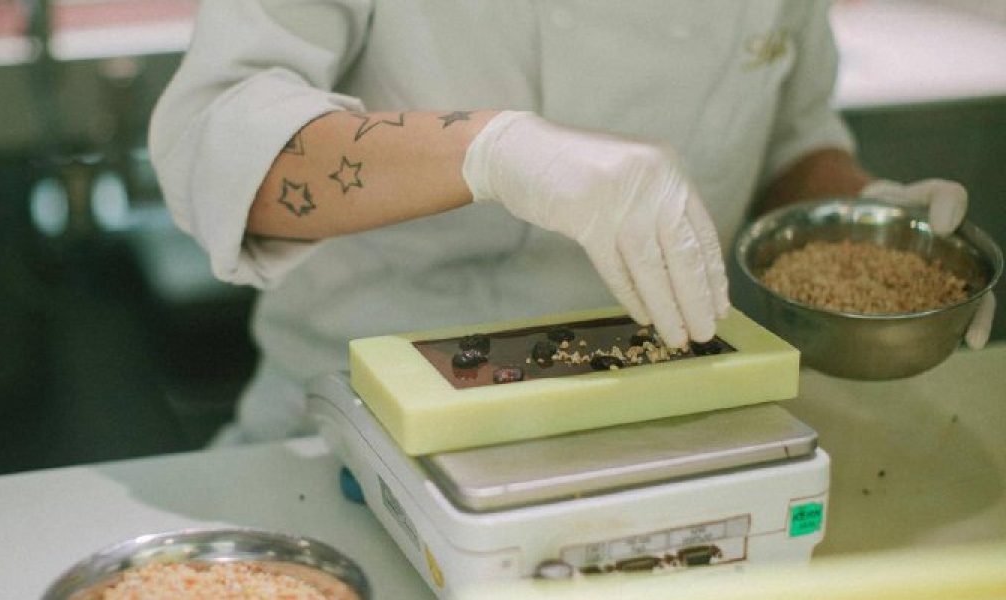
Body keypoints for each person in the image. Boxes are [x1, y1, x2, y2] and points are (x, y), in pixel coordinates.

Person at [149, 1, 991, 445]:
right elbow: (219, 145)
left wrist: (866, 216)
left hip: (684, 431)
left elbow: (787, 143)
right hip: (368, 433)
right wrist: (493, 154)